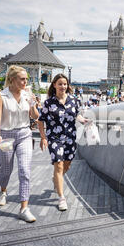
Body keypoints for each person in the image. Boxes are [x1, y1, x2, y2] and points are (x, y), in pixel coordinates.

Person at [0, 65, 40, 223]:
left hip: (25, 134)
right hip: (5, 135)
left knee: (25, 171)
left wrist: (33, 104)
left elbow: (35, 116)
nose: (25, 81)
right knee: (6, 169)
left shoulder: (28, 94)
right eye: (22, 79)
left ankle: (24, 208)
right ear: (12, 79)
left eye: (26, 79)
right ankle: (3, 190)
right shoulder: (1, 95)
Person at [37, 73, 90, 211]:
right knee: (59, 166)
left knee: (66, 165)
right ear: (54, 85)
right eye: (60, 84)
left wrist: (82, 120)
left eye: (65, 84)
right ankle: (61, 198)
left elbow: (76, 114)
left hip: (70, 137)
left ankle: (56, 179)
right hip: (54, 138)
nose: (63, 86)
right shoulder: (48, 103)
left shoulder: (74, 99)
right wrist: (43, 137)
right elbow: (40, 121)